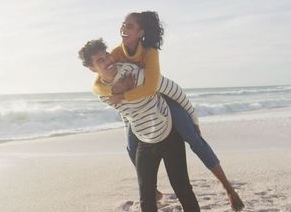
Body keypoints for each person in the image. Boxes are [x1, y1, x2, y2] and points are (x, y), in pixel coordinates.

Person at [91, 11, 244, 211]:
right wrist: (115, 91)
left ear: (141, 32)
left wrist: (193, 118)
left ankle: (228, 188)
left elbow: (155, 87)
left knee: (193, 137)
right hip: (137, 109)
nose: (123, 29)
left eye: (129, 26)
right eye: (123, 24)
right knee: (131, 148)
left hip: (161, 98)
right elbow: (97, 85)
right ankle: (150, 190)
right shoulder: (116, 54)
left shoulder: (150, 52)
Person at [79, 39, 201, 212]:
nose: (108, 61)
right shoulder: (103, 94)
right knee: (146, 196)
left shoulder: (132, 72)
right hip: (144, 140)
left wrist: (194, 121)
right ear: (92, 68)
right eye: (100, 61)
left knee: (182, 188)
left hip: (169, 134)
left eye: (106, 55)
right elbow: (126, 114)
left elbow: (173, 89)